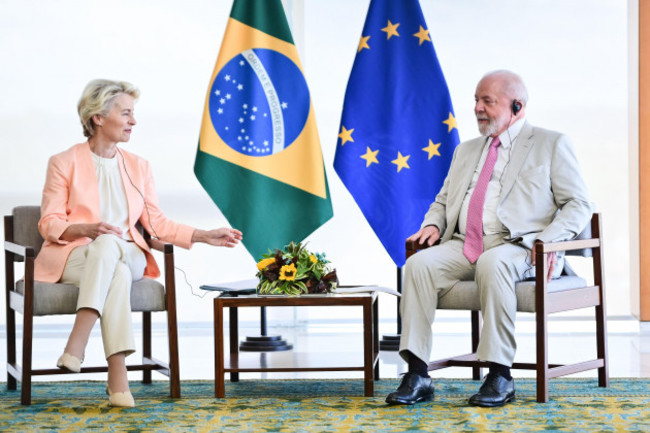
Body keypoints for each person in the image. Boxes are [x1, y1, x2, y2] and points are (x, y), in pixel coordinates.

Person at [385, 70, 592, 407]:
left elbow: (579, 203)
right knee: (418, 265)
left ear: (517, 106)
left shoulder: (551, 143)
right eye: (476, 100)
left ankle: (500, 375)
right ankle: (418, 373)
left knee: (493, 264)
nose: (478, 108)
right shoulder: (466, 150)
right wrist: (434, 224)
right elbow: (442, 199)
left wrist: (549, 239)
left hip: (520, 246)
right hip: (464, 244)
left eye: (487, 101)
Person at [34, 79, 243, 408]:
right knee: (110, 264)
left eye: (134, 114)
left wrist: (202, 236)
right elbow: (49, 223)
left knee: (110, 249)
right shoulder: (63, 162)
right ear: (98, 118)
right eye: (126, 113)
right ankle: (118, 377)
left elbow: (156, 224)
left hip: (129, 252)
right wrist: (86, 227)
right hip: (77, 256)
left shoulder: (138, 166)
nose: (134, 121)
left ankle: (78, 341)